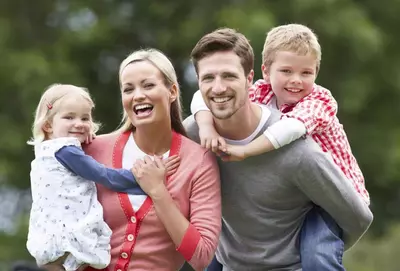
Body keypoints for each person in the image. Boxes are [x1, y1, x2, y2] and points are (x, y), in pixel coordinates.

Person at [184, 28, 373, 270]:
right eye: (286, 71)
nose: (296, 80)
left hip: (332, 196)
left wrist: (245, 152)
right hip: (288, 203)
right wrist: (206, 127)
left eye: (306, 73)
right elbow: (203, 96)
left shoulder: (318, 104)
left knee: (318, 255)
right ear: (265, 72)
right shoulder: (261, 92)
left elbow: (288, 130)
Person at [82, 48, 221, 271]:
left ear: (172, 91)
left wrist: (158, 192)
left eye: (148, 85)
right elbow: (54, 212)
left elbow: (201, 255)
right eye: (128, 89)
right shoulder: (93, 150)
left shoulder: (199, 161)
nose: (137, 95)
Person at [26, 84, 178, 271]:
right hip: (69, 238)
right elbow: (104, 175)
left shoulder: (44, 150)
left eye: (85, 118)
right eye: (69, 117)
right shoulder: (66, 151)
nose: (79, 123)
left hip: (48, 238)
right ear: (48, 124)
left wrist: (79, 135)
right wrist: (143, 179)